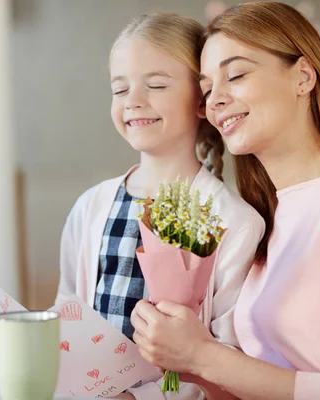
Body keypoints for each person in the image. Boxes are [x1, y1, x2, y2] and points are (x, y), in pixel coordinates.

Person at [130, 2, 320, 399]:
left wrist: (202, 355)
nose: (215, 100)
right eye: (206, 89)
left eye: (235, 74)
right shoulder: (263, 217)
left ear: (303, 76)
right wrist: (176, 360)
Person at [56, 13, 264, 399]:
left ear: (201, 102)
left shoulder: (234, 221)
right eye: (119, 90)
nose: (133, 101)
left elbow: (229, 359)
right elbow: (68, 311)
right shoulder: (91, 207)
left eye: (155, 85)